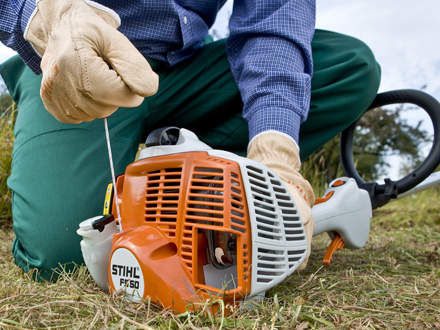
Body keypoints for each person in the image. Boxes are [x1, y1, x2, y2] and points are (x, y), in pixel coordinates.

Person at [0, 0, 380, 281]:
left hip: (190, 70)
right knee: (61, 255)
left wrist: (275, 153)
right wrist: (41, 16)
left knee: (348, 66)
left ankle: (207, 183)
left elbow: (273, 23)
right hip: (74, 59)